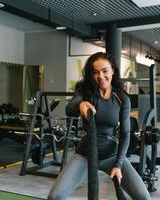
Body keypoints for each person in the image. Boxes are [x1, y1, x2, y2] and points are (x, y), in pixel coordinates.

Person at [48, 52, 150, 200]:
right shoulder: (85, 92)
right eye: (95, 72)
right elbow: (69, 110)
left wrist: (119, 164)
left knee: (143, 197)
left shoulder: (121, 98)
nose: (101, 76)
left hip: (112, 156)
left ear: (113, 70)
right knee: (54, 196)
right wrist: (80, 104)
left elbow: (125, 133)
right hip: (85, 155)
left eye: (105, 71)